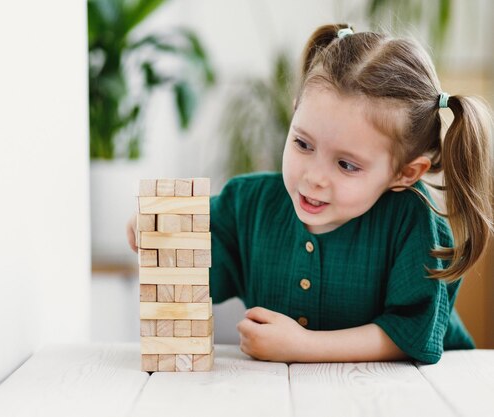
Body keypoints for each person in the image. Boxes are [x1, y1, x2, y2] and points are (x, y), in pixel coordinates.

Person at [126, 24, 494, 364]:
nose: (314, 178)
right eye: (303, 143)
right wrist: (158, 228)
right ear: (294, 114)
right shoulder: (247, 203)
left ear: (404, 173)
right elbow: (192, 250)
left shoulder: (412, 223)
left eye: (346, 165)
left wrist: (304, 346)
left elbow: (411, 334)